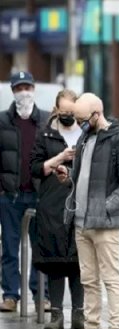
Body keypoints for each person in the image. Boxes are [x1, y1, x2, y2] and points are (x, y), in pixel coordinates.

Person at [56, 93, 119, 329]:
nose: (77, 124)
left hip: (105, 223)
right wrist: (69, 175)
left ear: (96, 114)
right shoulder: (85, 137)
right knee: (88, 279)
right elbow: (85, 176)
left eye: (81, 119)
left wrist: (105, 207)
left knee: (111, 278)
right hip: (81, 221)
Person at [30, 89, 84, 329]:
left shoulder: (86, 133)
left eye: (71, 112)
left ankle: (79, 315)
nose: (67, 116)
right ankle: (56, 316)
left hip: (79, 202)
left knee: (78, 262)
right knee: (54, 262)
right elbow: (34, 168)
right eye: (63, 112)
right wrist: (60, 157)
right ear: (56, 110)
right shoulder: (46, 133)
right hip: (52, 203)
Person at [0, 71, 49, 312]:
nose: (24, 92)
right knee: (10, 248)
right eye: (19, 88)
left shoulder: (46, 121)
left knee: (40, 248)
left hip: (40, 196)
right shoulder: (2, 121)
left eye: (27, 87)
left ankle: (41, 293)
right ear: (13, 91)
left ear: (34, 88)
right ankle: (10, 295)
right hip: (10, 197)